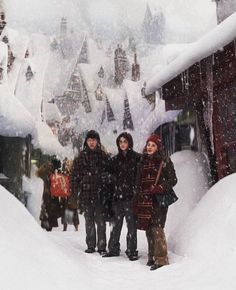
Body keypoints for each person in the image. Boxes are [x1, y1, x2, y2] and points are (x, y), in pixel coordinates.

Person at [135, 134, 177, 270]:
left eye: (153, 145)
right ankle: (152, 256)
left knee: (157, 228)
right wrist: (137, 198)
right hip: (145, 200)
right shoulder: (142, 161)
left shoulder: (164, 161)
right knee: (148, 229)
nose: (150, 147)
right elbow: (138, 182)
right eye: (148, 144)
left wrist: (160, 187)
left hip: (158, 200)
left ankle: (161, 259)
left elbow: (173, 180)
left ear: (158, 147)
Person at [71, 130, 110, 255]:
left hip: (100, 195)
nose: (92, 142)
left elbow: (109, 175)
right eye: (89, 140)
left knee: (101, 222)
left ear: (97, 141)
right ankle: (91, 245)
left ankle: (102, 246)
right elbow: (75, 177)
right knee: (89, 222)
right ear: (86, 142)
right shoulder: (81, 157)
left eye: (94, 140)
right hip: (86, 195)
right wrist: (74, 192)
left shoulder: (103, 157)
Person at [103, 132, 140, 261]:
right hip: (117, 198)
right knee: (116, 225)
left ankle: (131, 250)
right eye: (120, 142)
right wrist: (113, 178)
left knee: (131, 226)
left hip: (131, 198)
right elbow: (105, 174)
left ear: (129, 142)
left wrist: (135, 189)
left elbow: (140, 177)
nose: (123, 144)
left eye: (125, 141)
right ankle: (113, 249)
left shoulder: (137, 158)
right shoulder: (114, 160)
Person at [37, 158, 62, 231]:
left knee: (48, 210)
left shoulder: (52, 172)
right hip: (50, 195)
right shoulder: (50, 171)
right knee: (49, 210)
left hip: (50, 195)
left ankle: (47, 226)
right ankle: (47, 226)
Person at [61, 158, 80, 231]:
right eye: (67, 164)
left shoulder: (74, 173)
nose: (67, 165)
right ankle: (65, 227)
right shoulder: (64, 173)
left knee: (73, 210)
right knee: (65, 210)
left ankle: (76, 226)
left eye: (69, 164)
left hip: (72, 194)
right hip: (66, 194)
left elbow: (76, 184)